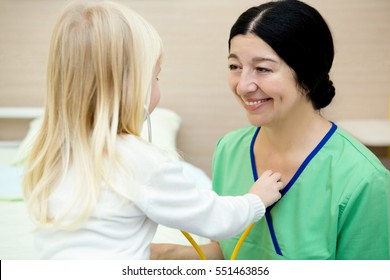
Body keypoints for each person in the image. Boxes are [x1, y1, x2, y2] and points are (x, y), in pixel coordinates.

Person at [21, 1, 286, 260]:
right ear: (132, 85)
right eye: (155, 77)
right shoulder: (138, 161)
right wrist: (255, 200)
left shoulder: (49, 157)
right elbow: (213, 219)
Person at [151, 0, 390, 260]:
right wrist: (162, 255)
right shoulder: (230, 149)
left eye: (263, 69)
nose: (243, 86)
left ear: (308, 72)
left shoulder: (364, 181)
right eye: (235, 66)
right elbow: (231, 253)